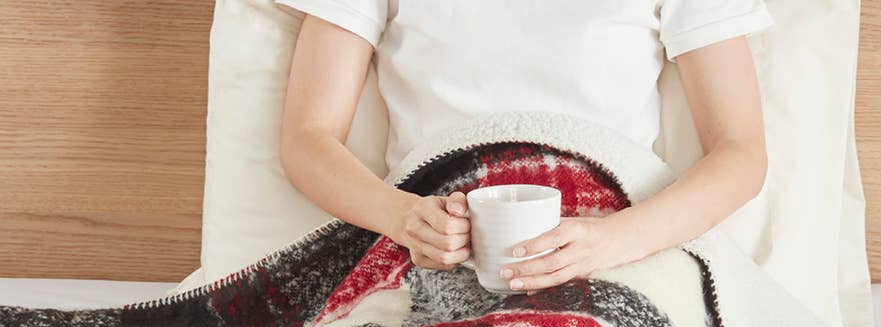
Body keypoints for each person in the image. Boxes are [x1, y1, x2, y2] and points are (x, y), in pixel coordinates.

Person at [276, 1, 774, 294]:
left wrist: (614, 240)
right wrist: (401, 216)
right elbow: (308, 136)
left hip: (617, 250)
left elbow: (740, 152)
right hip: (432, 243)